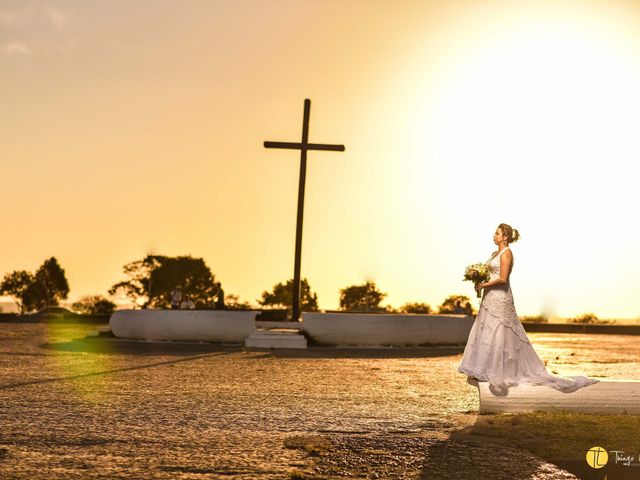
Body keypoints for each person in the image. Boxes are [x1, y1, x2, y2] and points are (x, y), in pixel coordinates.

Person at [457, 223, 599, 396]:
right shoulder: (494, 253)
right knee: (486, 331)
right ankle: (482, 369)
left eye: (497, 233)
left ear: (505, 237)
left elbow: (502, 279)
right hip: (489, 298)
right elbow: (490, 273)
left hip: (501, 298)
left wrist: (484, 284)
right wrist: (477, 278)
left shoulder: (507, 253)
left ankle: (502, 371)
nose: (493, 236)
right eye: (494, 233)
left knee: (500, 332)